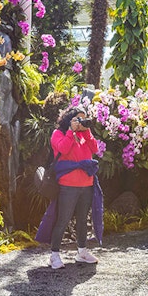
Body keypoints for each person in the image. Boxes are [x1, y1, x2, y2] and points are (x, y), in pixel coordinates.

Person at [34, 107, 104, 269]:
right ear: (70, 119)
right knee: (62, 219)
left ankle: (82, 251)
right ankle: (54, 255)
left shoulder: (84, 135)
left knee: (82, 220)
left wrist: (86, 132)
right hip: (68, 186)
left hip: (87, 184)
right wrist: (70, 132)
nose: (81, 123)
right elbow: (63, 149)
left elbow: (96, 149)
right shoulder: (58, 134)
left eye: (83, 119)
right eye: (78, 120)